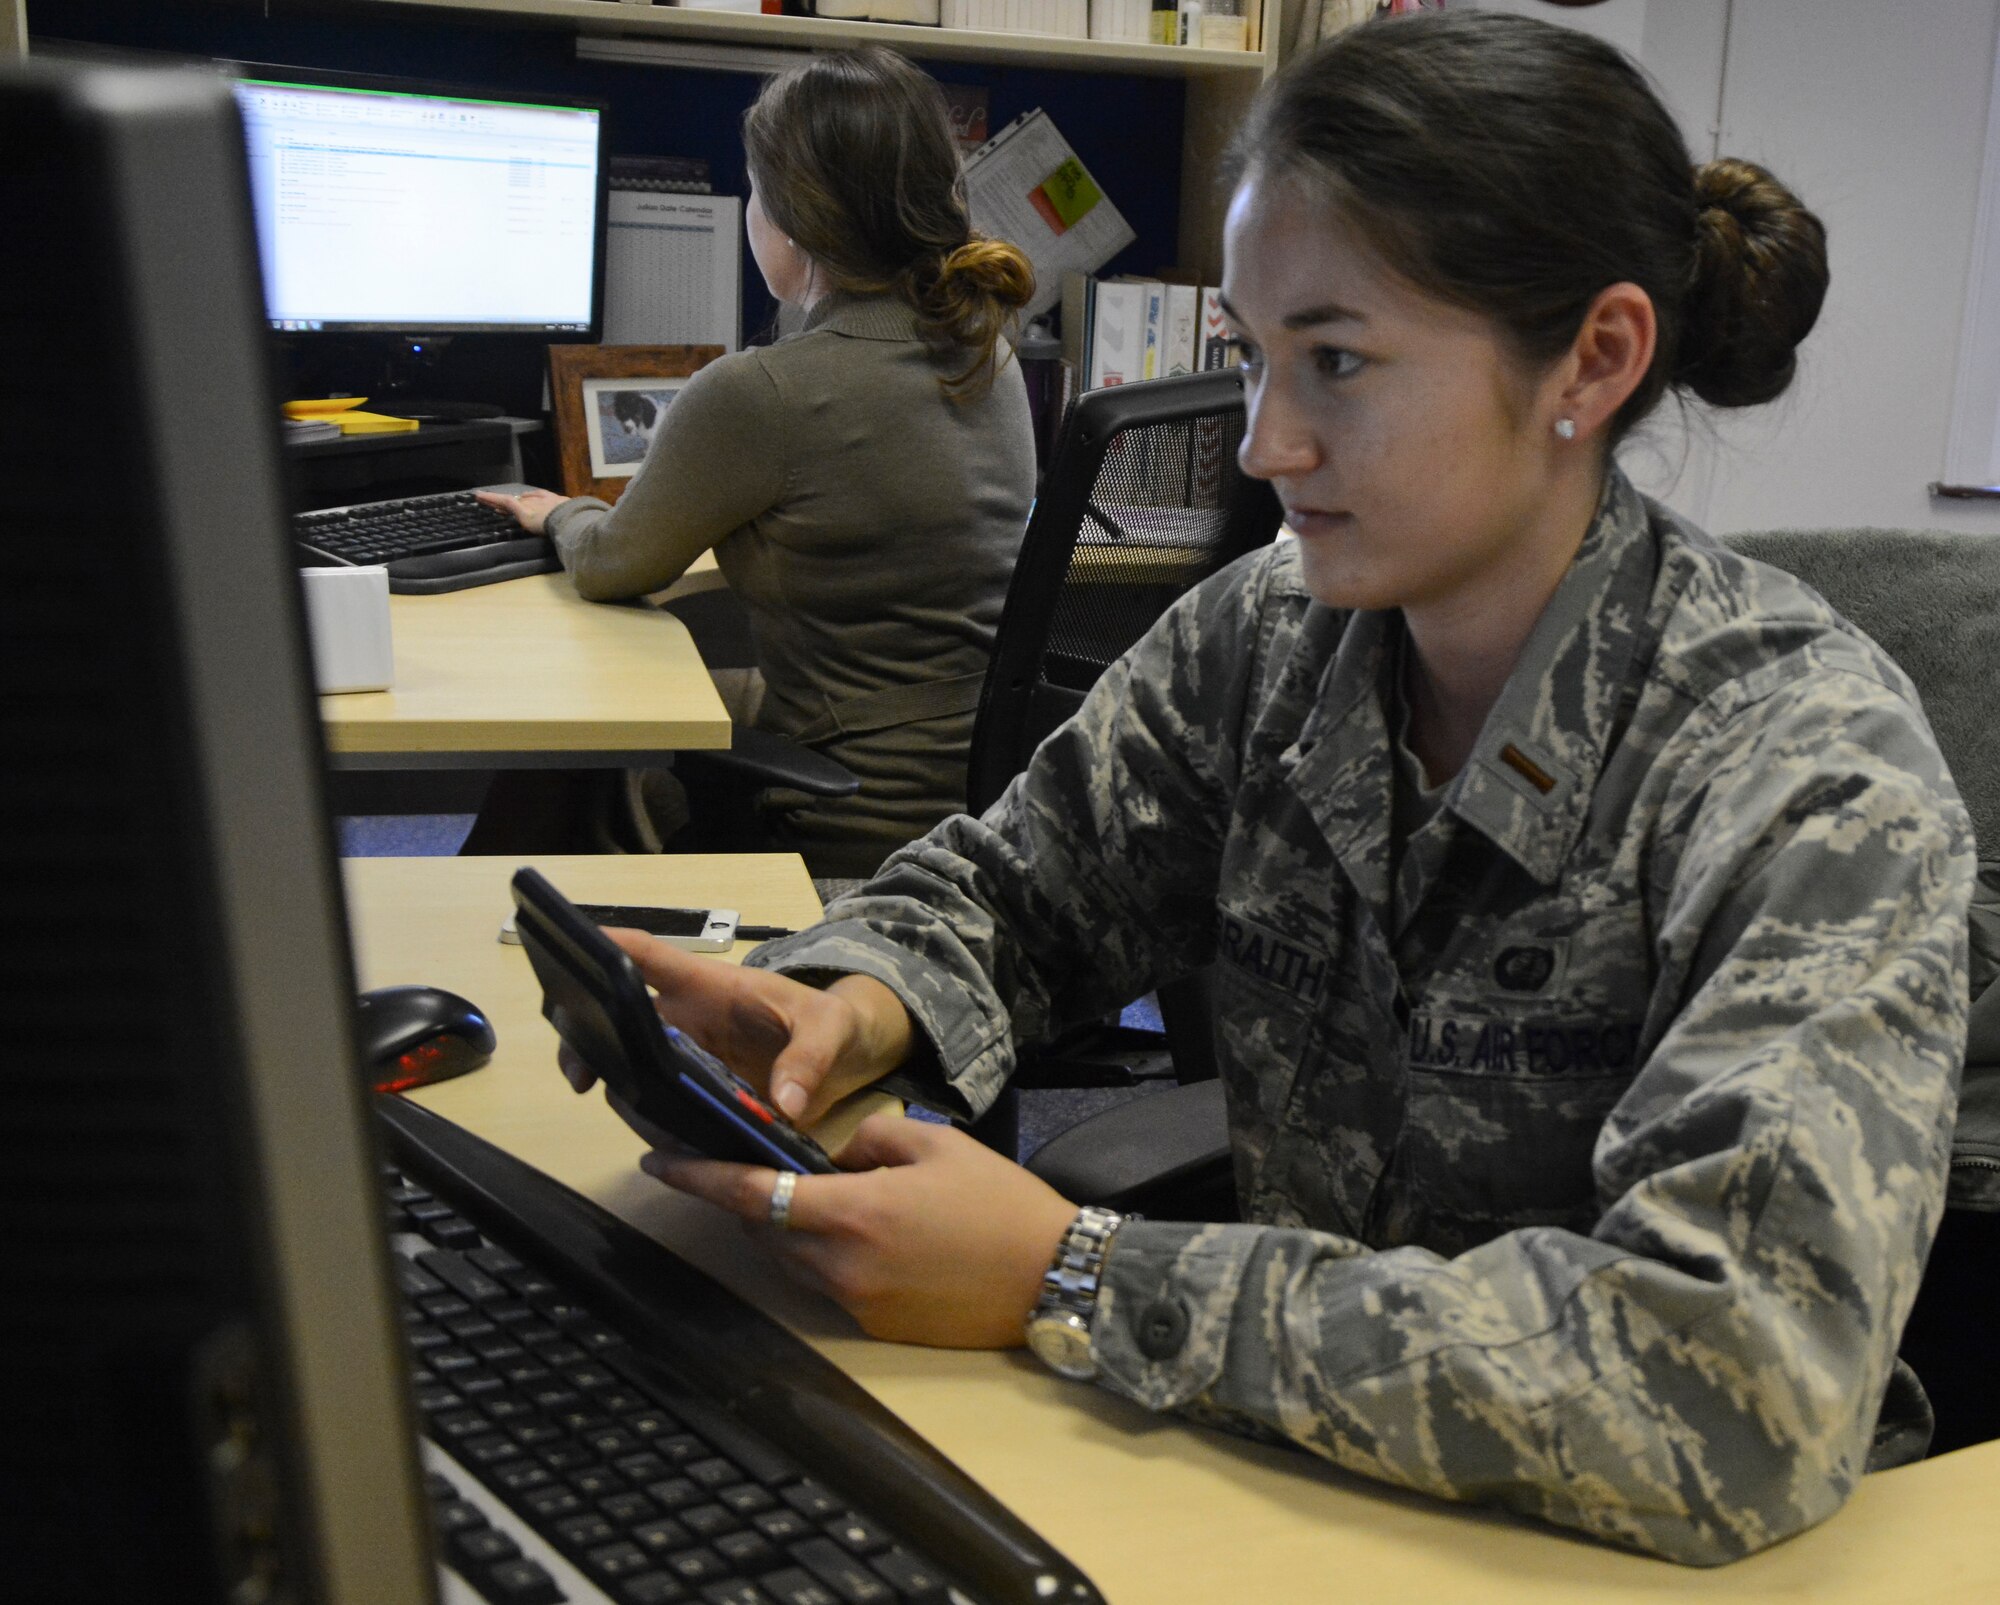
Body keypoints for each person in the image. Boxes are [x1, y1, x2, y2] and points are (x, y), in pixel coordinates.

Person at [565, 12, 1976, 1565]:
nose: (1269, 442)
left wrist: (1079, 1273)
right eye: (1254, 355)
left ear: (1596, 358)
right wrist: (844, 999)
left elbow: (1727, 1386)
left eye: (1343, 361)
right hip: (1293, 1495)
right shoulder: (1273, 634)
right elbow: (1011, 885)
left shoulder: (1806, 770)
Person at [477, 46, 1036, 878]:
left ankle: (517, 938)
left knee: (581, 734)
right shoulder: (986, 350)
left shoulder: (759, 393)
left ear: (791, 219)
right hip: (985, 794)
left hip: (850, 808)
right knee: (674, 702)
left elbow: (608, 564)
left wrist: (557, 509)